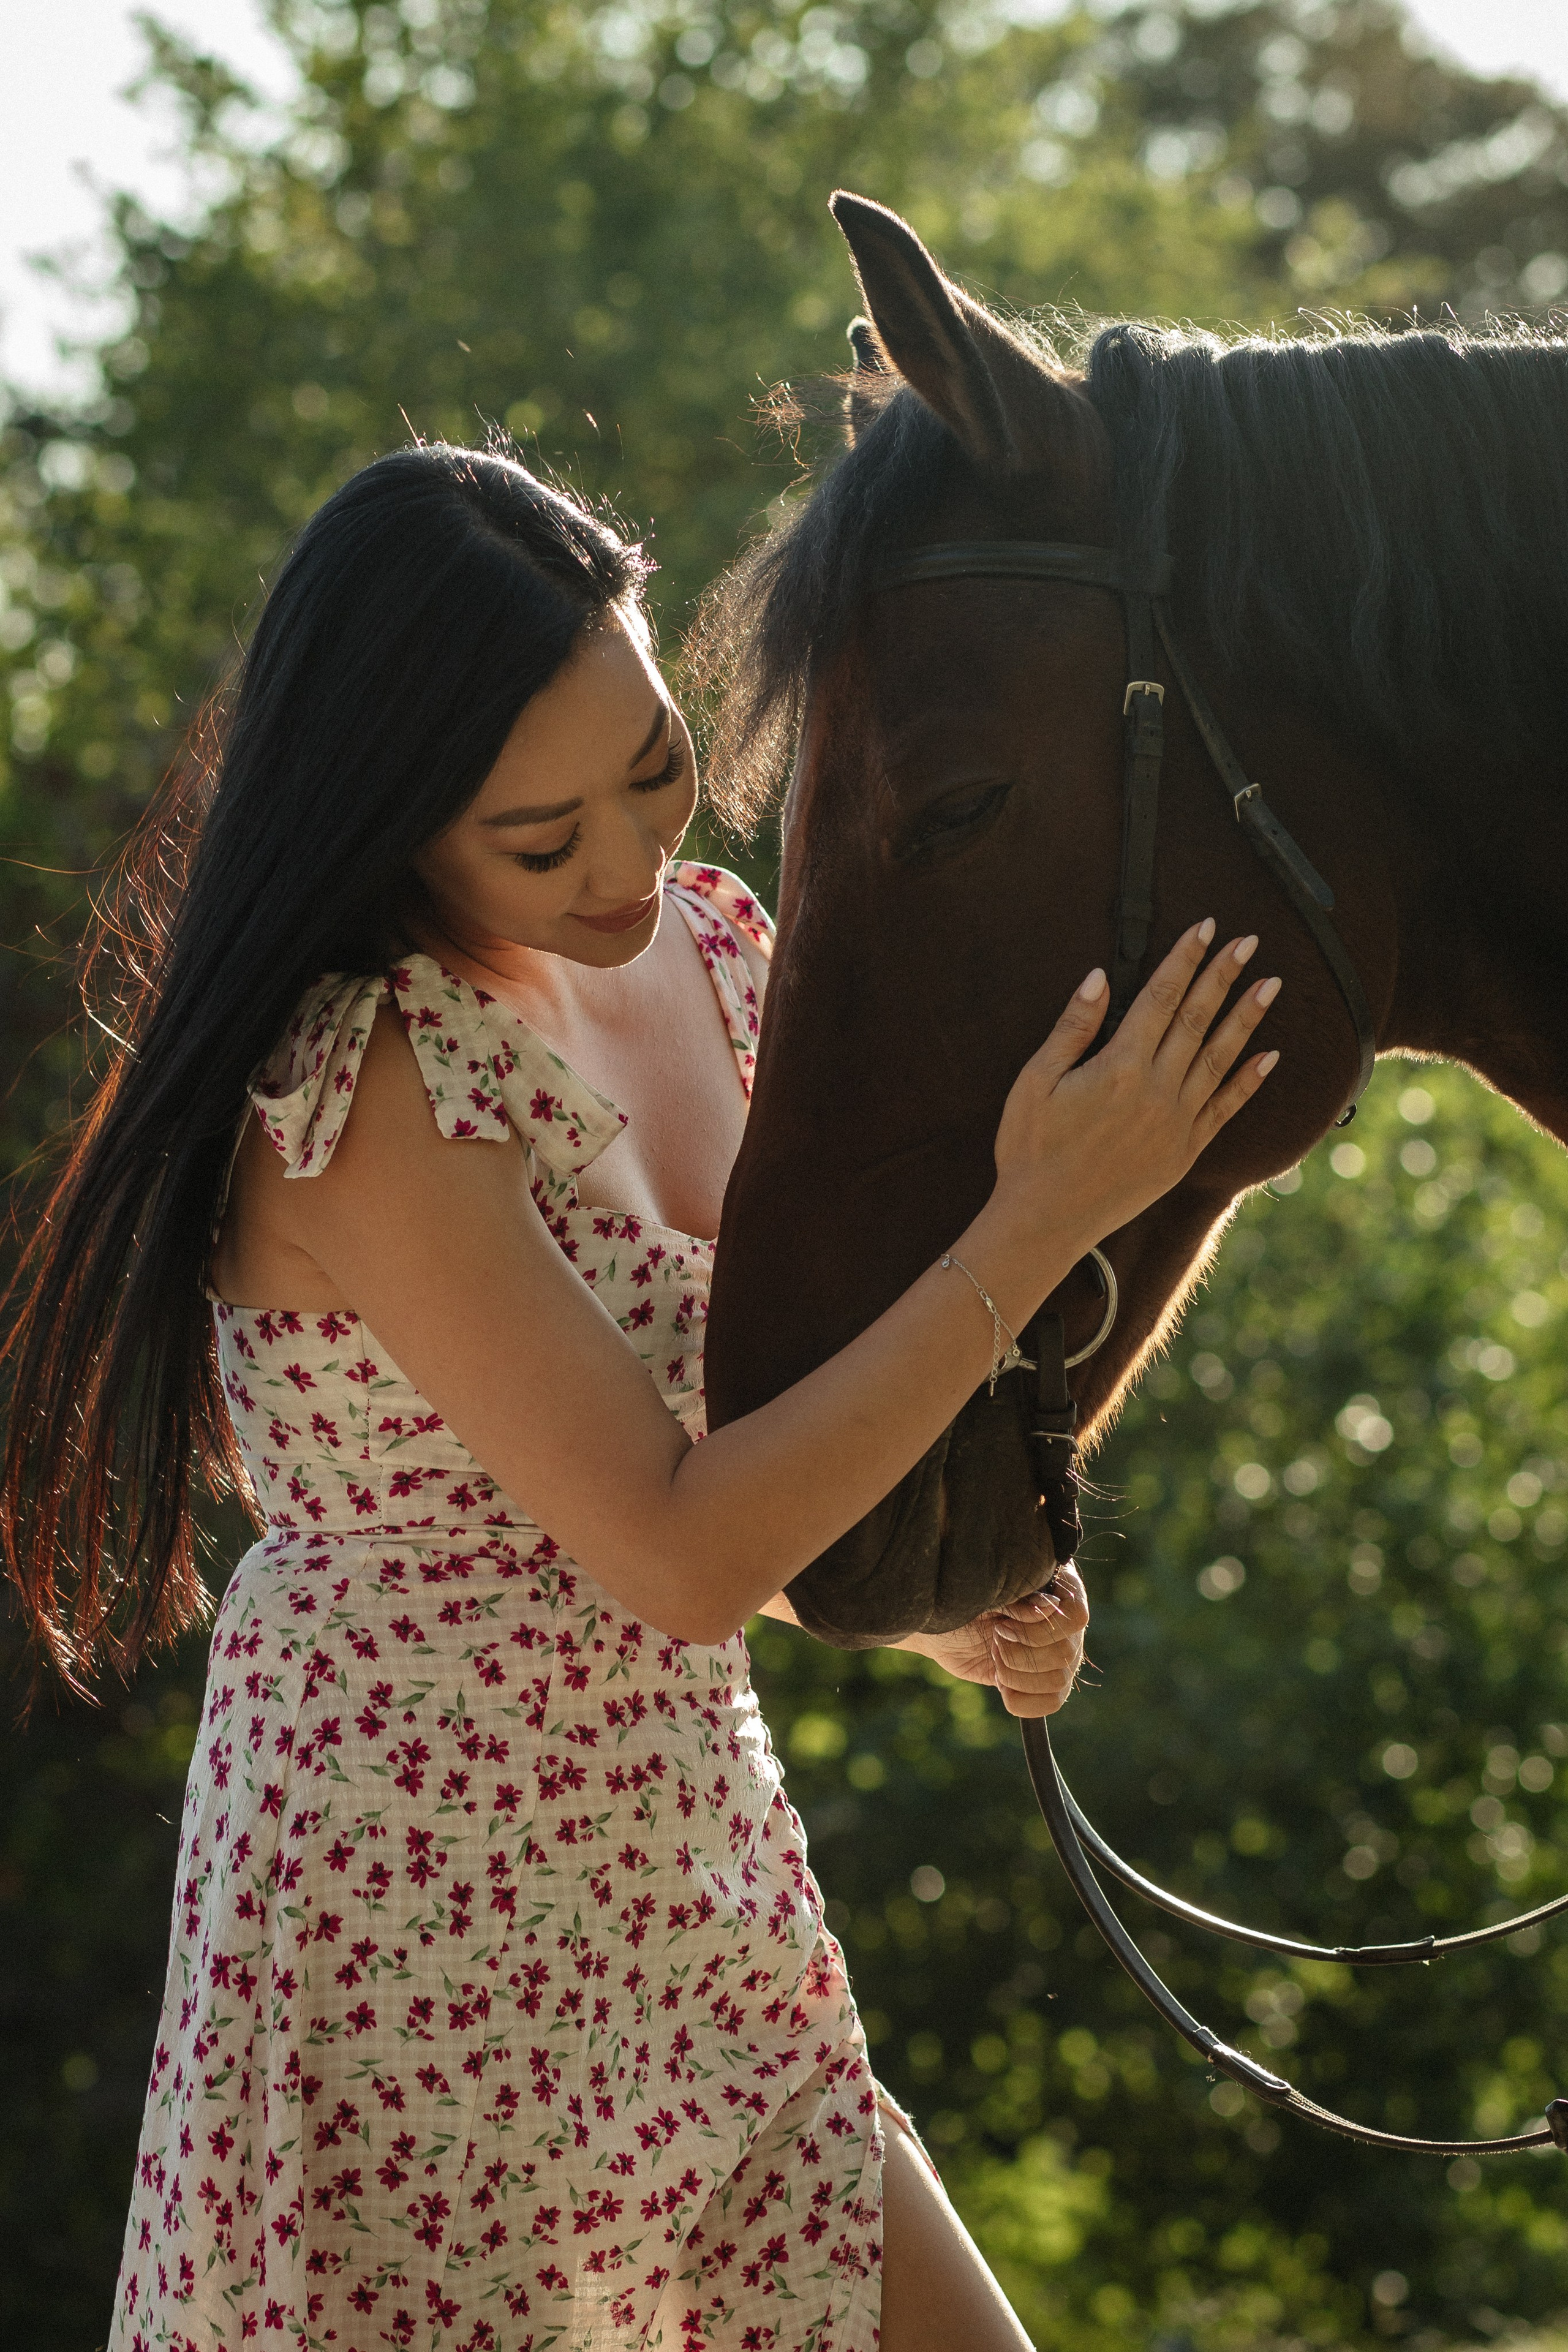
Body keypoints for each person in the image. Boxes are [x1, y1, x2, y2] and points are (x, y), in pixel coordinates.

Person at [1, 441, 1280, 2352]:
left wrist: (928, 1616)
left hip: (688, 1865)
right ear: (390, 816)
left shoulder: (725, 951)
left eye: (658, 765)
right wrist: (1043, 1212)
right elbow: (671, 1548)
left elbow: (701, 1490)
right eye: (540, 840)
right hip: (409, 1922)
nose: (630, 864)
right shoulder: (369, 1082)